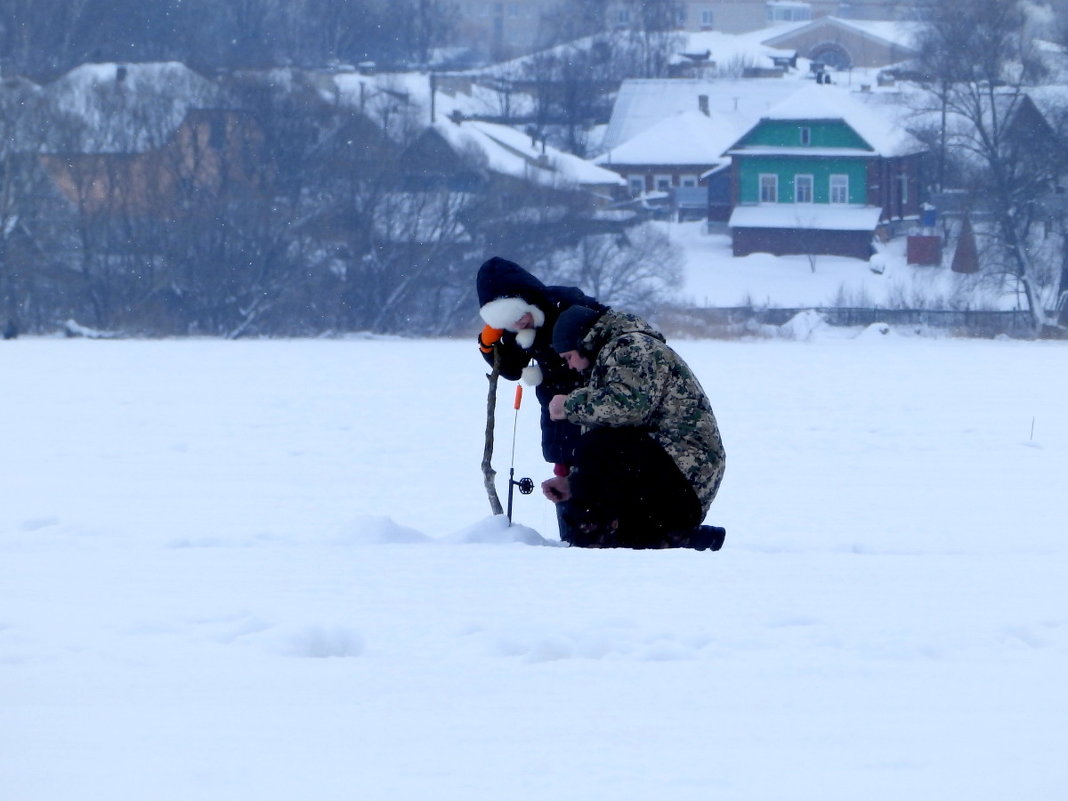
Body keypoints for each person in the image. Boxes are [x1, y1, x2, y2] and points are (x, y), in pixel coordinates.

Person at [542, 305, 726, 550]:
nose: (570, 366)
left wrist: (570, 405)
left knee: (598, 445)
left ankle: (588, 541)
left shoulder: (631, 347)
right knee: (602, 448)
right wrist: (576, 484)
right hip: (675, 480)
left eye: (568, 357)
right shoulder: (613, 354)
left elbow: (627, 409)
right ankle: (675, 537)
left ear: (584, 341)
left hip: (686, 474)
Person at [475, 257, 609, 534]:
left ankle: (599, 534)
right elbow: (512, 369)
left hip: (592, 404)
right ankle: (573, 535)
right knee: (564, 463)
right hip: (555, 410)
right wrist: (489, 346)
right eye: (508, 324)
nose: (517, 325)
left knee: (597, 464)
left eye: (516, 317)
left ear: (525, 300)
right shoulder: (520, 326)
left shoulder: (570, 306)